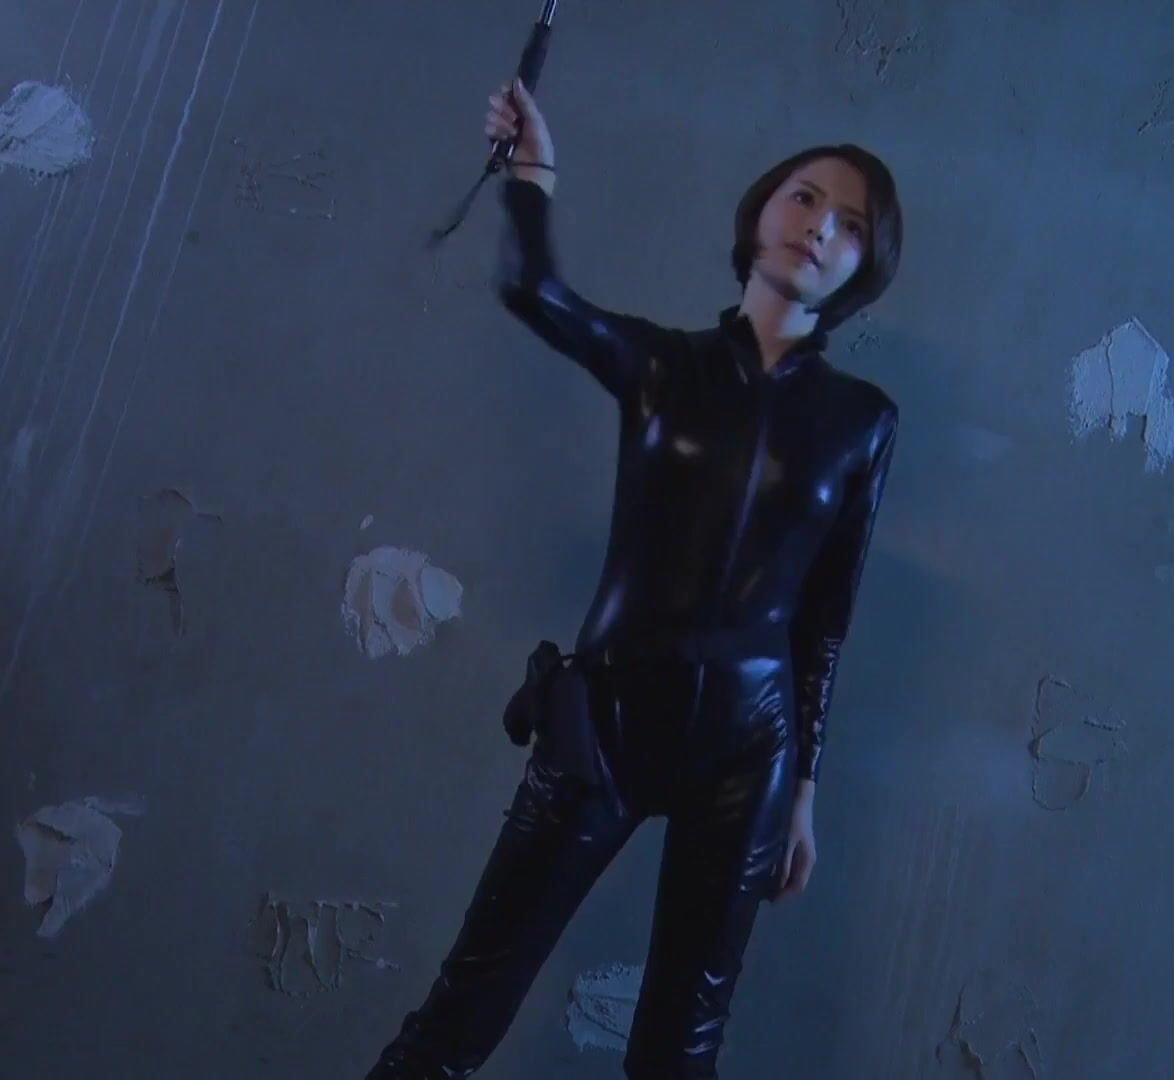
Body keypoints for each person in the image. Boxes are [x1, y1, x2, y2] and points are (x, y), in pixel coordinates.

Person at [367, 79, 902, 1079]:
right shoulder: (662, 365)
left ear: (864, 265)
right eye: (804, 198)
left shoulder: (863, 421)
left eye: (851, 224)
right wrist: (533, 173)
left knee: (678, 1054)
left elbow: (824, 620)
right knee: (461, 1012)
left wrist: (803, 790)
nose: (821, 228)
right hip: (605, 723)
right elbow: (535, 291)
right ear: (759, 214)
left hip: (749, 749)